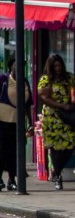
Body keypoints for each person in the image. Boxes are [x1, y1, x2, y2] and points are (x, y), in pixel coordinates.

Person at [37, 54, 75, 191]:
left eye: (59, 65)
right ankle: (58, 176)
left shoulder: (69, 78)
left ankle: (56, 171)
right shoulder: (45, 80)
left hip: (67, 117)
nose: (58, 68)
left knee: (70, 146)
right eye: (55, 66)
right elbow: (44, 96)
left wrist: (73, 99)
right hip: (52, 118)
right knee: (54, 147)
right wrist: (61, 106)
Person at [0, 61, 34, 191]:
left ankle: (11, 179)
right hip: (2, 119)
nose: (18, 67)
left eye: (21, 65)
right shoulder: (3, 79)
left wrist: (30, 122)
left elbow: (28, 104)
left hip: (17, 121)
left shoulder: (24, 82)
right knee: (2, 150)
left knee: (14, 151)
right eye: (16, 65)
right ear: (11, 67)